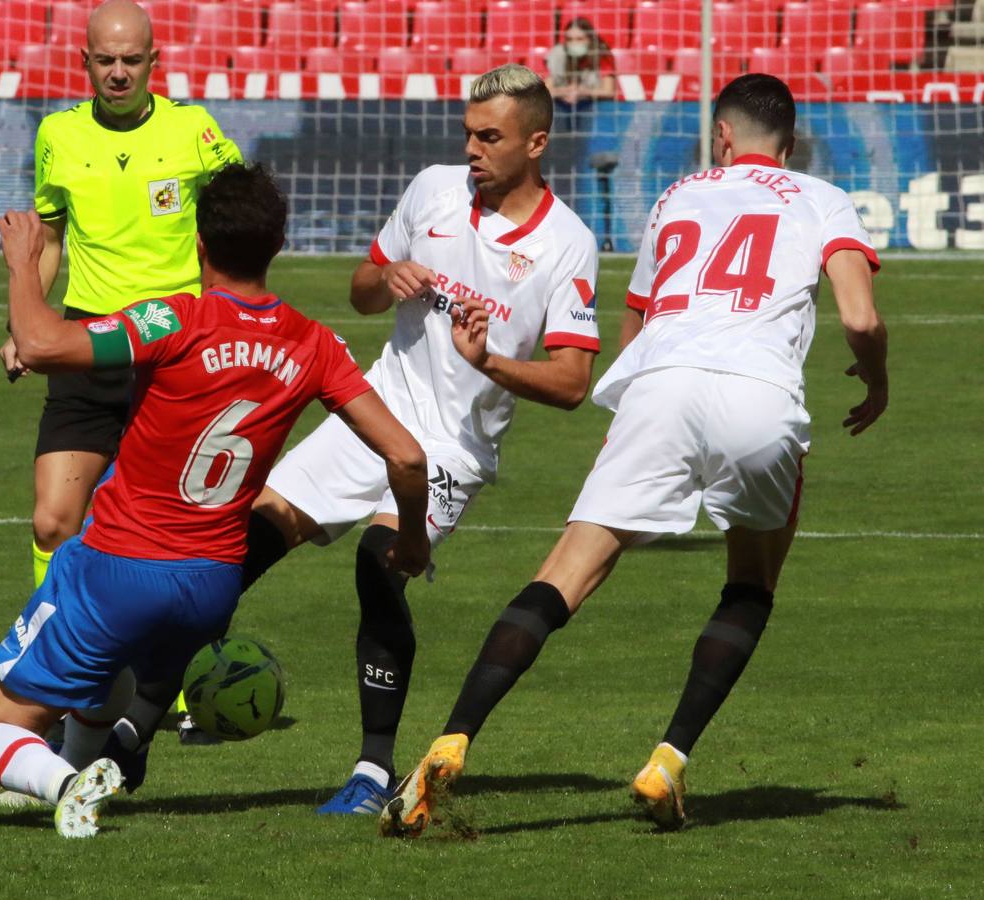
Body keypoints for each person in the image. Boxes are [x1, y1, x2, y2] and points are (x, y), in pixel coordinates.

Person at [378, 73, 889, 838]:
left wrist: (632, 419)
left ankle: (448, 742)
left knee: (563, 575)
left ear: (721, 136)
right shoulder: (819, 198)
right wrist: (875, 380)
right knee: (749, 581)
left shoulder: (677, 196)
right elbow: (857, 315)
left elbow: (638, 320)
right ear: (791, 139)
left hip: (658, 387)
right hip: (756, 392)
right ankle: (668, 759)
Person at [0, 163, 432, 838]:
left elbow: (39, 343)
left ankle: (68, 784)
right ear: (277, 246)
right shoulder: (315, 343)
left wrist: (22, 261)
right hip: (211, 585)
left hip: (118, 566)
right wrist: (411, 539)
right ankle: (87, 777)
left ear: (199, 246)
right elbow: (407, 457)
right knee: (109, 682)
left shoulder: (173, 319)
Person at [225, 64, 601, 816]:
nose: (471, 149)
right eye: (466, 132)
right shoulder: (431, 189)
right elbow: (362, 292)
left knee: (377, 564)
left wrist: (487, 360)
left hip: (451, 450)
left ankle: (370, 772)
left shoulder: (567, 244)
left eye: (489, 137)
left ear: (535, 143)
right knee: (238, 547)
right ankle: (130, 716)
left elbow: (570, 384)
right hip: (373, 409)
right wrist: (387, 274)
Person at [0, 0, 241, 590]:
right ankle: (54, 660)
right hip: (86, 342)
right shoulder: (58, 134)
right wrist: (22, 327)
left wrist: (225, 308)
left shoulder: (194, 130)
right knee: (53, 522)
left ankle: (166, 684)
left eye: (132, 60)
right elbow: (49, 239)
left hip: (171, 350)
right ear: (84, 62)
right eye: (105, 60)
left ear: (154, 61)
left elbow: (241, 221)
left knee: (157, 531)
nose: (118, 72)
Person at [545, 18, 617, 112]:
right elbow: (546, 90)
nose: (574, 43)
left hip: (593, 106)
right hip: (561, 104)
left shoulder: (601, 55)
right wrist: (563, 92)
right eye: (569, 39)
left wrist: (582, 92)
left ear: (590, 39)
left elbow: (609, 91)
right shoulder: (557, 54)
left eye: (580, 39)